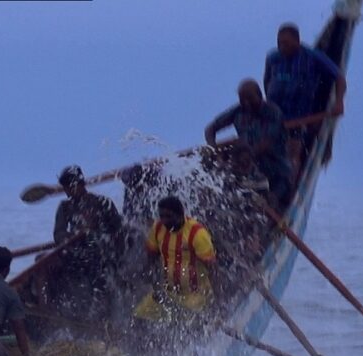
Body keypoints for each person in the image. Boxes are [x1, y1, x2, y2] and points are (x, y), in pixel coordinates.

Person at [204, 79, 294, 207]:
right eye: (242, 99)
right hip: (248, 166)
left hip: (275, 167)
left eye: (250, 98)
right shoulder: (238, 111)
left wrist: (241, 158)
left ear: (260, 95)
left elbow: (265, 143)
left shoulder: (273, 113)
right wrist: (214, 150)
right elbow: (210, 129)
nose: (246, 103)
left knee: (274, 198)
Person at [52, 165, 124, 320]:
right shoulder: (65, 208)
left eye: (69, 187)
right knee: (51, 265)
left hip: (102, 254)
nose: (67, 192)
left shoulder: (102, 203)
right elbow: (58, 235)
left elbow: (118, 232)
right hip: (75, 254)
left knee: (98, 265)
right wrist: (74, 235)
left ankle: (100, 313)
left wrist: (96, 232)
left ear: (80, 184)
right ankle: (60, 310)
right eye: (65, 188)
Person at [133, 196, 219, 321]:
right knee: (139, 316)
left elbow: (213, 269)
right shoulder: (158, 229)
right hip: (169, 292)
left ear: (180, 215)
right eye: (161, 216)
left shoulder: (197, 234)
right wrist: (154, 285)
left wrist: (218, 303)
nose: (164, 221)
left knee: (185, 322)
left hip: (196, 294)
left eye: (168, 216)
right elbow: (151, 257)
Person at [264, 22, 347, 121]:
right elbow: (267, 80)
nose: (282, 47)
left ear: (297, 41)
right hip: (274, 115)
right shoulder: (272, 58)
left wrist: (339, 102)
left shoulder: (313, 57)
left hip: (301, 115)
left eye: (286, 43)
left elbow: (339, 77)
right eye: (279, 43)